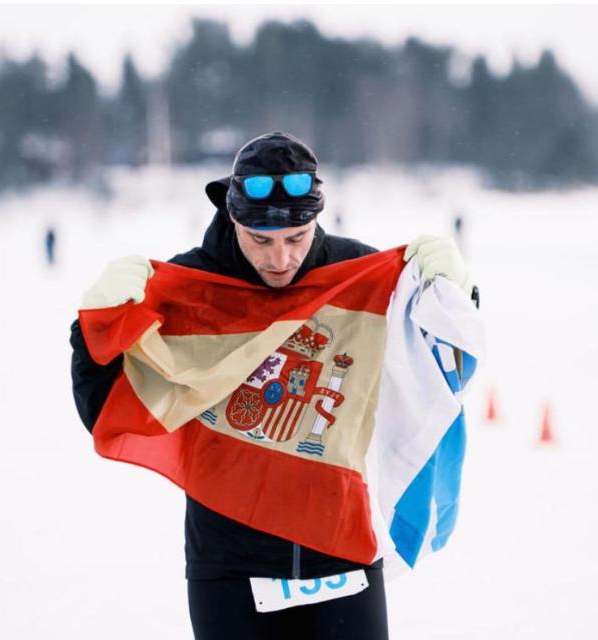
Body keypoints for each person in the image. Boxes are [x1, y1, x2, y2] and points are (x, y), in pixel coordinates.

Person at [70, 132, 477, 639]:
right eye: (260, 240)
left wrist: (455, 296)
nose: (280, 259)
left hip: (341, 548)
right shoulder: (191, 290)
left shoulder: (357, 277)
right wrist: (94, 330)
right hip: (230, 562)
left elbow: (441, 369)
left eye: (296, 238)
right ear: (232, 217)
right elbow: (107, 405)